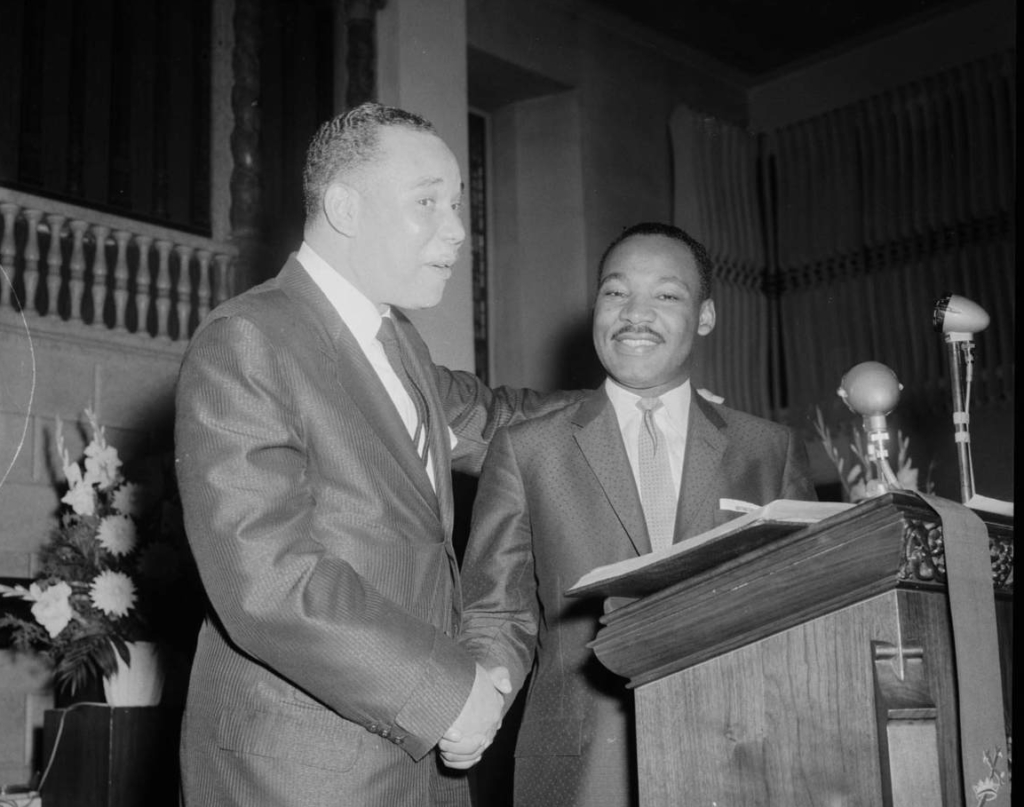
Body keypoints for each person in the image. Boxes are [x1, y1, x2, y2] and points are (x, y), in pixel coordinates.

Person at [175, 102, 573, 807]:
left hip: (421, 771)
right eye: (428, 204)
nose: (456, 231)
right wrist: (446, 692)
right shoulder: (249, 337)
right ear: (345, 207)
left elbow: (499, 419)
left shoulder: (401, 345)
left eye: (455, 206)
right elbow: (265, 577)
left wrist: (641, 404)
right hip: (301, 776)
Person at [457, 222, 817, 806]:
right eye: (616, 292)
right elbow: (498, 611)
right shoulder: (527, 450)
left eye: (666, 295)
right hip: (581, 769)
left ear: (705, 316)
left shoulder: (767, 449)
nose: (635, 314)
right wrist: (481, 691)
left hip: (742, 758)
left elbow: (800, 608)